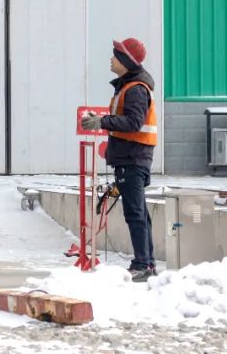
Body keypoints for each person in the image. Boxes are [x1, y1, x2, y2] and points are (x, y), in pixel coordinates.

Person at [81, 37, 158, 282]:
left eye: (115, 55)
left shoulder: (135, 89)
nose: (111, 59)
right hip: (133, 157)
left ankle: (142, 264)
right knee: (140, 213)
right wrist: (104, 119)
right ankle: (148, 262)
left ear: (126, 61)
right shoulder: (129, 86)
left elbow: (134, 122)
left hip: (132, 158)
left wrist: (102, 121)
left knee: (135, 213)